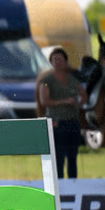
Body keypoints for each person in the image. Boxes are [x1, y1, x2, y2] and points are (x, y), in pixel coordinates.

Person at [38, 47, 87, 178]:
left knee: (73, 155)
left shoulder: (73, 79)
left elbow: (84, 95)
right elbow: (44, 101)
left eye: (60, 59)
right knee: (59, 156)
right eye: (55, 59)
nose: (58, 62)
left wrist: (78, 102)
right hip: (56, 123)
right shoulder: (47, 81)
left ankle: (73, 181)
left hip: (72, 121)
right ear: (51, 62)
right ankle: (59, 182)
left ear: (65, 61)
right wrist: (65, 101)